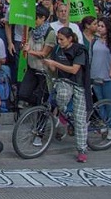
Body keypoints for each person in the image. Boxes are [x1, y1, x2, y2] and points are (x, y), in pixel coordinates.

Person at [42, 27, 90, 163]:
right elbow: (54, 68)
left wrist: (54, 63)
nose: (59, 41)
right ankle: (65, 115)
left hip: (78, 84)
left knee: (80, 120)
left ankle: (82, 149)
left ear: (70, 39)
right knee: (61, 95)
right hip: (63, 81)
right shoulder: (57, 49)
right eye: (58, 39)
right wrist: (47, 63)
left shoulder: (79, 50)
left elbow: (75, 70)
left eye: (62, 39)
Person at [18, 6, 55, 108]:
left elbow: (44, 53)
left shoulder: (50, 33)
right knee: (23, 93)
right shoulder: (31, 30)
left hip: (44, 70)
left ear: (43, 18)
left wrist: (30, 51)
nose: (33, 21)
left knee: (41, 98)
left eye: (36, 18)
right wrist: (23, 46)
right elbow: (25, 44)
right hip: (32, 68)